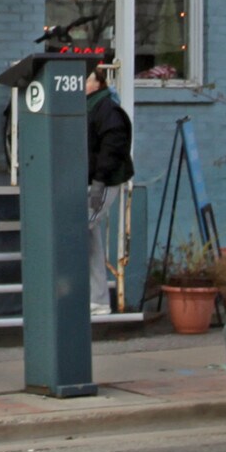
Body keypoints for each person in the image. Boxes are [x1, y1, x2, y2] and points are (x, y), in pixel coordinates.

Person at [87, 56, 134, 315]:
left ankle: (99, 298)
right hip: (95, 180)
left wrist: (99, 180)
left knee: (83, 227)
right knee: (89, 236)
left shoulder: (106, 110)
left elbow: (112, 147)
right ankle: (97, 298)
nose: (81, 83)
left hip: (105, 182)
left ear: (98, 82)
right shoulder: (90, 107)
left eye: (86, 79)